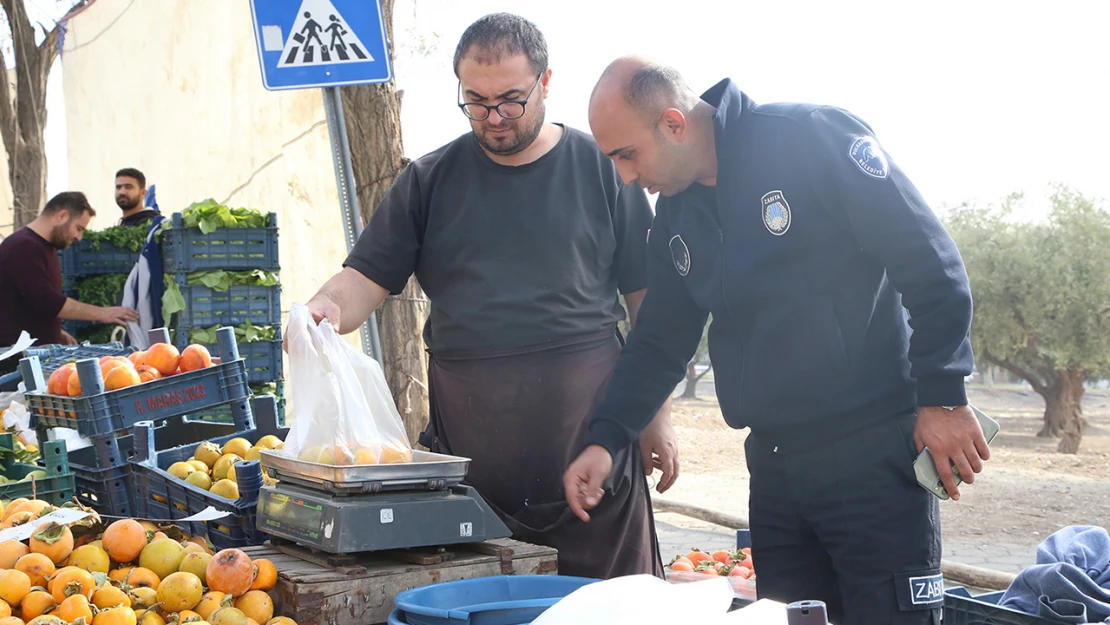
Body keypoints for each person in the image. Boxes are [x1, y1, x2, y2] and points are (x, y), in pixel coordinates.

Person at [563, 57, 991, 624]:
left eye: (626, 154)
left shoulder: (812, 138)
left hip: (870, 458)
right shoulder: (674, 216)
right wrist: (606, 437)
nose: (623, 176)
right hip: (775, 469)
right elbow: (660, 341)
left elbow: (929, 264)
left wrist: (942, 396)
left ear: (673, 123)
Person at [295, 15, 674, 580]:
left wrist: (655, 417)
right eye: (476, 101)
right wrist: (322, 308)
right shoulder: (427, 181)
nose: (494, 117)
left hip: (593, 441)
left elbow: (650, 303)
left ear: (546, 83)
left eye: (511, 99)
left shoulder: (603, 167)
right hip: (476, 459)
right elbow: (363, 279)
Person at [0, 192, 139, 368]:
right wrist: (103, 313)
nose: (78, 237)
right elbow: (47, 301)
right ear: (62, 216)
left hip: (34, 358)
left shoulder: (41, 247)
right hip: (16, 363)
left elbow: (28, 302)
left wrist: (57, 331)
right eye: (79, 228)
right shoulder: (23, 247)